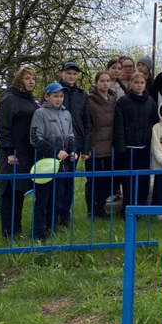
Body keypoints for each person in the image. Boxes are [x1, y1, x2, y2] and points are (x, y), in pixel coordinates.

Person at [0, 66, 40, 239]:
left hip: (25, 152)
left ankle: (17, 230)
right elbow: (2, 128)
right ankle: (9, 233)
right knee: (9, 193)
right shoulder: (9, 99)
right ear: (19, 80)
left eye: (34, 79)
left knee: (19, 192)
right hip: (12, 154)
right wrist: (9, 152)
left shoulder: (30, 99)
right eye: (27, 78)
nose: (31, 82)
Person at [29, 82, 77, 240]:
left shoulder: (66, 114)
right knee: (43, 199)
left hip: (63, 165)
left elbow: (70, 135)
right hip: (45, 163)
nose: (59, 99)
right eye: (55, 96)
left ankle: (52, 228)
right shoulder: (40, 113)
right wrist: (55, 152)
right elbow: (36, 138)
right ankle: (38, 232)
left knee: (57, 199)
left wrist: (71, 152)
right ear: (46, 96)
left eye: (61, 96)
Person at [113, 72, 158, 215]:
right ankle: (128, 208)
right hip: (128, 147)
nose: (139, 85)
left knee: (143, 179)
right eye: (136, 82)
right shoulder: (123, 102)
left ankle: (141, 207)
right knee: (128, 180)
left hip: (144, 146)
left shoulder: (150, 101)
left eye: (142, 83)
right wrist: (120, 147)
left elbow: (154, 122)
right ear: (131, 84)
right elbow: (119, 125)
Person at [56, 60, 91, 227]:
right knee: (55, 180)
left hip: (74, 142)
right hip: (56, 142)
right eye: (68, 73)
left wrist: (86, 147)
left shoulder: (82, 95)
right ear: (61, 73)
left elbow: (86, 121)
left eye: (74, 73)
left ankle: (65, 215)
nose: (71, 76)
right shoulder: (54, 91)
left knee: (68, 180)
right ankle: (52, 213)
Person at [87, 70, 117, 220]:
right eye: (102, 81)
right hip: (95, 147)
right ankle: (91, 210)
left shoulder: (113, 99)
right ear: (96, 83)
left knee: (106, 180)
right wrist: (89, 146)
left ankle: (101, 208)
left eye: (107, 80)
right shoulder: (90, 101)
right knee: (94, 180)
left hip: (110, 146)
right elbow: (88, 125)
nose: (105, 83)